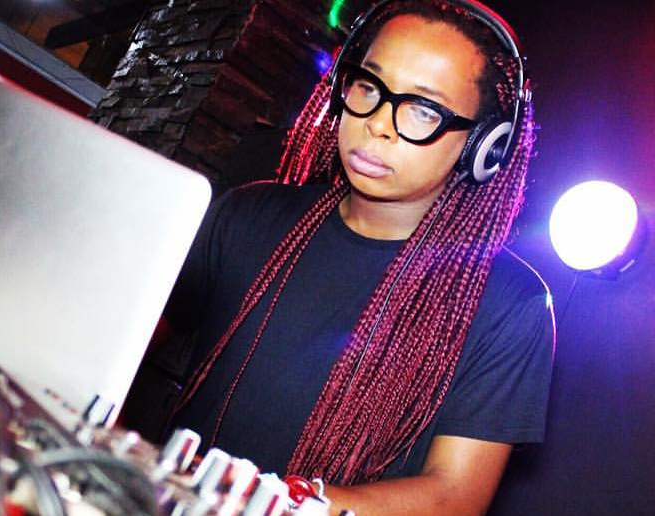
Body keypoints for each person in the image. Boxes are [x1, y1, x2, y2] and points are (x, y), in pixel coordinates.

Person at [159, 1, 554, 514]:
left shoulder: (510, 305)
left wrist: (277, 503)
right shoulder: (247, 213)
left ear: (484, 148)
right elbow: (123, 337)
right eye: (369, 86)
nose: (378, 124)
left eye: (423, 109)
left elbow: (453, 498)